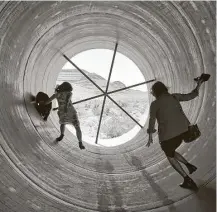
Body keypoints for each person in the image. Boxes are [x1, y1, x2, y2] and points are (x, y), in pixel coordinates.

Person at [146, 73, 210, 190]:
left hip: (168, 137)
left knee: (170, 156)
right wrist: (198, 84)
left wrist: (150, 135)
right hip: (183, 132)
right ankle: (189, 165)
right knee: (172, 151)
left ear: (155, 92)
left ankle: (187, 179)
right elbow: (192, 95)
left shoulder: (154, 104)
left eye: (152, 92)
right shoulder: (174, 96)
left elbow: (152, 120)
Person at [42, 82, 85, 150]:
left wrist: (42, 103)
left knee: (62, 124)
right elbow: (67, 100)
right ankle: (80, 142)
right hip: (71, 112)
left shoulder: (56, 94)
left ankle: (61, 135)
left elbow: (48, 101)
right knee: (77, 126)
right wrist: (66, 107)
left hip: (62, 112)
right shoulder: (69, 93)